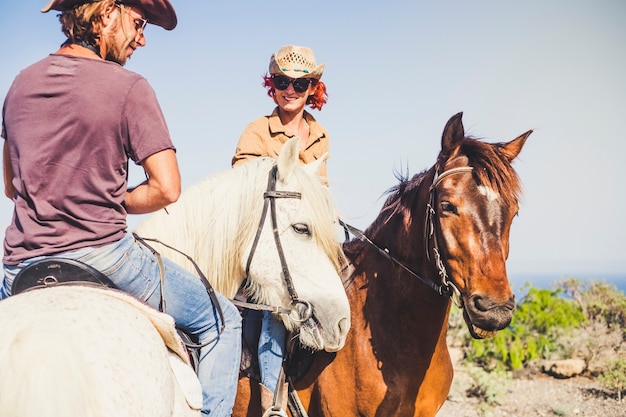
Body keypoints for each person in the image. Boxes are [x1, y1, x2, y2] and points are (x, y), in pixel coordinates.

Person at [1, 1, 241, 416]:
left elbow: (10, 185)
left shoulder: (20, 84)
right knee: (223, 320)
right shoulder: (128, 86)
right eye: (138, 22)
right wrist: (115, 198)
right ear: (106, 13)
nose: (142, 38)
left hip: (17, 266)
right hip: (104, 255)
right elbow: (167, 189)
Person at [231, 44, 330, 411]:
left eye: (299, 83)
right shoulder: (257, 131)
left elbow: (321, 196)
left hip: (302, 242)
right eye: (281, 81)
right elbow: (242, 191)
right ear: (271, 85)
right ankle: (272, 404)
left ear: (312, 87)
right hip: (263, 243)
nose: (290, 90)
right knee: (276, 312)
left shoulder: (321, 136)